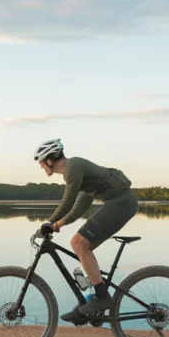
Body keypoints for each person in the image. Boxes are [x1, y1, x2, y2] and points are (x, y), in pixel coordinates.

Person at [34, 139, 139, 324]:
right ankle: (90, 302)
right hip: (121, 204)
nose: (41, 165)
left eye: (41, 161)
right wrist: (58, 224)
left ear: (50, 159)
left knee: (78, 243)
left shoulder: (72, 167)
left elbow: (67, 201)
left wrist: (50, 223)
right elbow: (79, 206)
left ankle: (101, 297)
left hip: (120, 203)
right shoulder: (77, 171)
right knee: (83, 248)